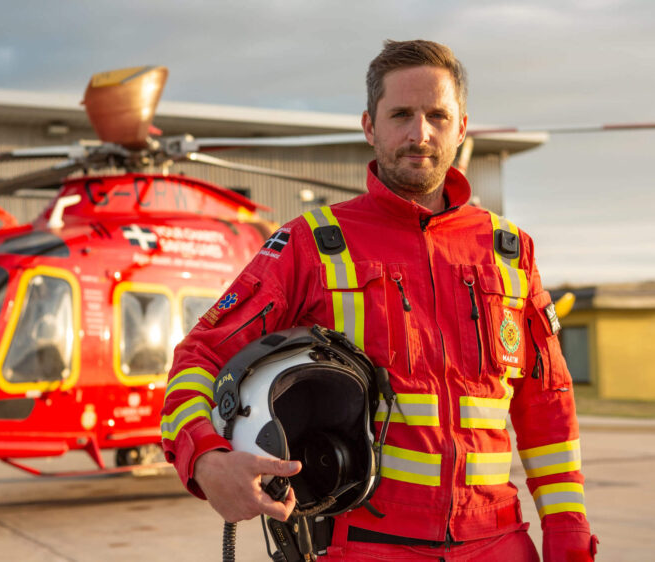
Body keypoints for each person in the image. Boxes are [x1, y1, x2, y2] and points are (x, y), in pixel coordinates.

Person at [161, 39, 598, 561]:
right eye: (401, 115)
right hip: (369, 545)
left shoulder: (510, 252)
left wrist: (568, 532)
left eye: (438, 115)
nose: (420, 134)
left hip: (500, 542)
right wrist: (207, 460)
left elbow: (546, 404)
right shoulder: (312, 244)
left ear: (462, 127)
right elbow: (198, 356)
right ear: (370, 127)